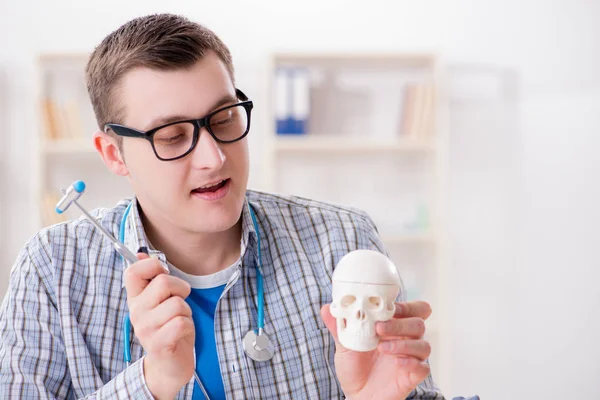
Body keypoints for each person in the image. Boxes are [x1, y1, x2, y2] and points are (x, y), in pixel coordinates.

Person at [0, 13, 475, 400]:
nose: (214, 157)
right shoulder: (51, 272)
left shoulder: (341, 241)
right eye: (172, 136)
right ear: (113, 154)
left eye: (224, 118)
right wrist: (153, 384)